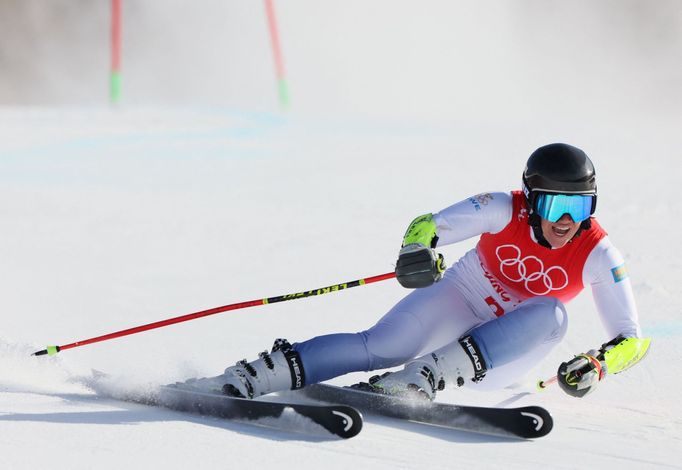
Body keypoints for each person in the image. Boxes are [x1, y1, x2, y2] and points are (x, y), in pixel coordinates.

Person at [215, 143, 650, 400]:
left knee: (553, 314)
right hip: (462, 297)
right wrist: (418, 251)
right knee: (382, 344)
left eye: (579, 206)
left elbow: (632, 338)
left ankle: (420, 379)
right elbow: (428, 225)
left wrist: (599, 363)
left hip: (502, 358)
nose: (565, 221)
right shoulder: (502, 207)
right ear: (532, 199)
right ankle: (253, 376)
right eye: (555, 205)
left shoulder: (598, 252)